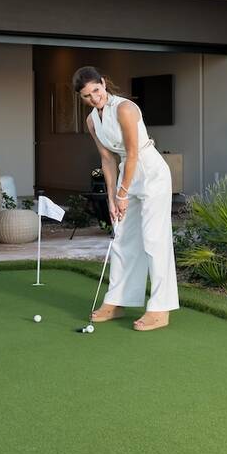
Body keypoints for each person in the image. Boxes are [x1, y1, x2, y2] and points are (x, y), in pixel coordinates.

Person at [74, 66, 179, 330]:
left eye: (96, 91)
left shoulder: (125, 109)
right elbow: (108, 159)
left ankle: (160, 308)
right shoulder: (91, 121)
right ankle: (117, 301)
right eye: (87, 96)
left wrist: (123, 194)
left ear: (103, 83)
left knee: (154, 239)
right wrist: (112, 198)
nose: (94, 98)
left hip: (151, 172)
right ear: (81, 97)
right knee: (121, 237)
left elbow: (132, 153)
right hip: (125, 173)